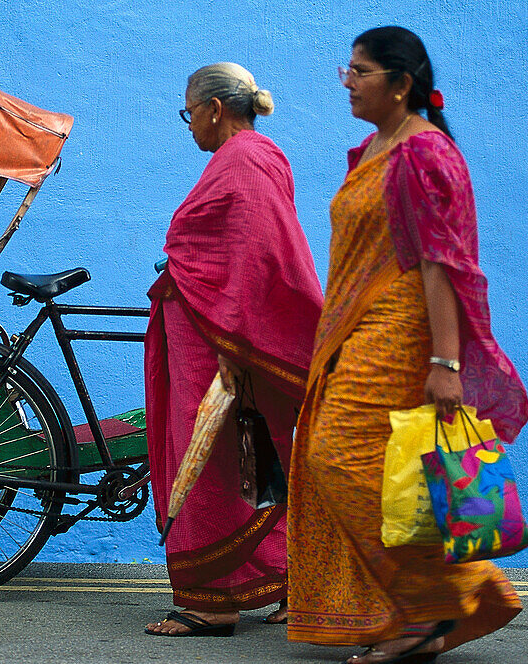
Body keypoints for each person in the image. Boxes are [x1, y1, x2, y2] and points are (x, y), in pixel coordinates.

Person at [286, 27, 528, 663]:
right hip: (356, 329)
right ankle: (409, 608)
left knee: (339, 456)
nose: (347, 80)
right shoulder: (371, 149)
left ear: (400, 84)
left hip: (401, 330)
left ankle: (444, 599)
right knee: (364, 468)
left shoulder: (425, 154)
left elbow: (439, 263)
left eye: (361, 71)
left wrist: (445, 362)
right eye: (349, 67)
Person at [144, 63, 323, 637]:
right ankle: (290, 586)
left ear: (215, 109)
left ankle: (209, 601)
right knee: (256, 459)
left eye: (188, 113)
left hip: (217, 343)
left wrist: (234, 342)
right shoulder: (256, 157)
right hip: (217, 333)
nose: (188, 124)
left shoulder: (243, 161)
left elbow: (253, 254)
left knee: (215, 462)